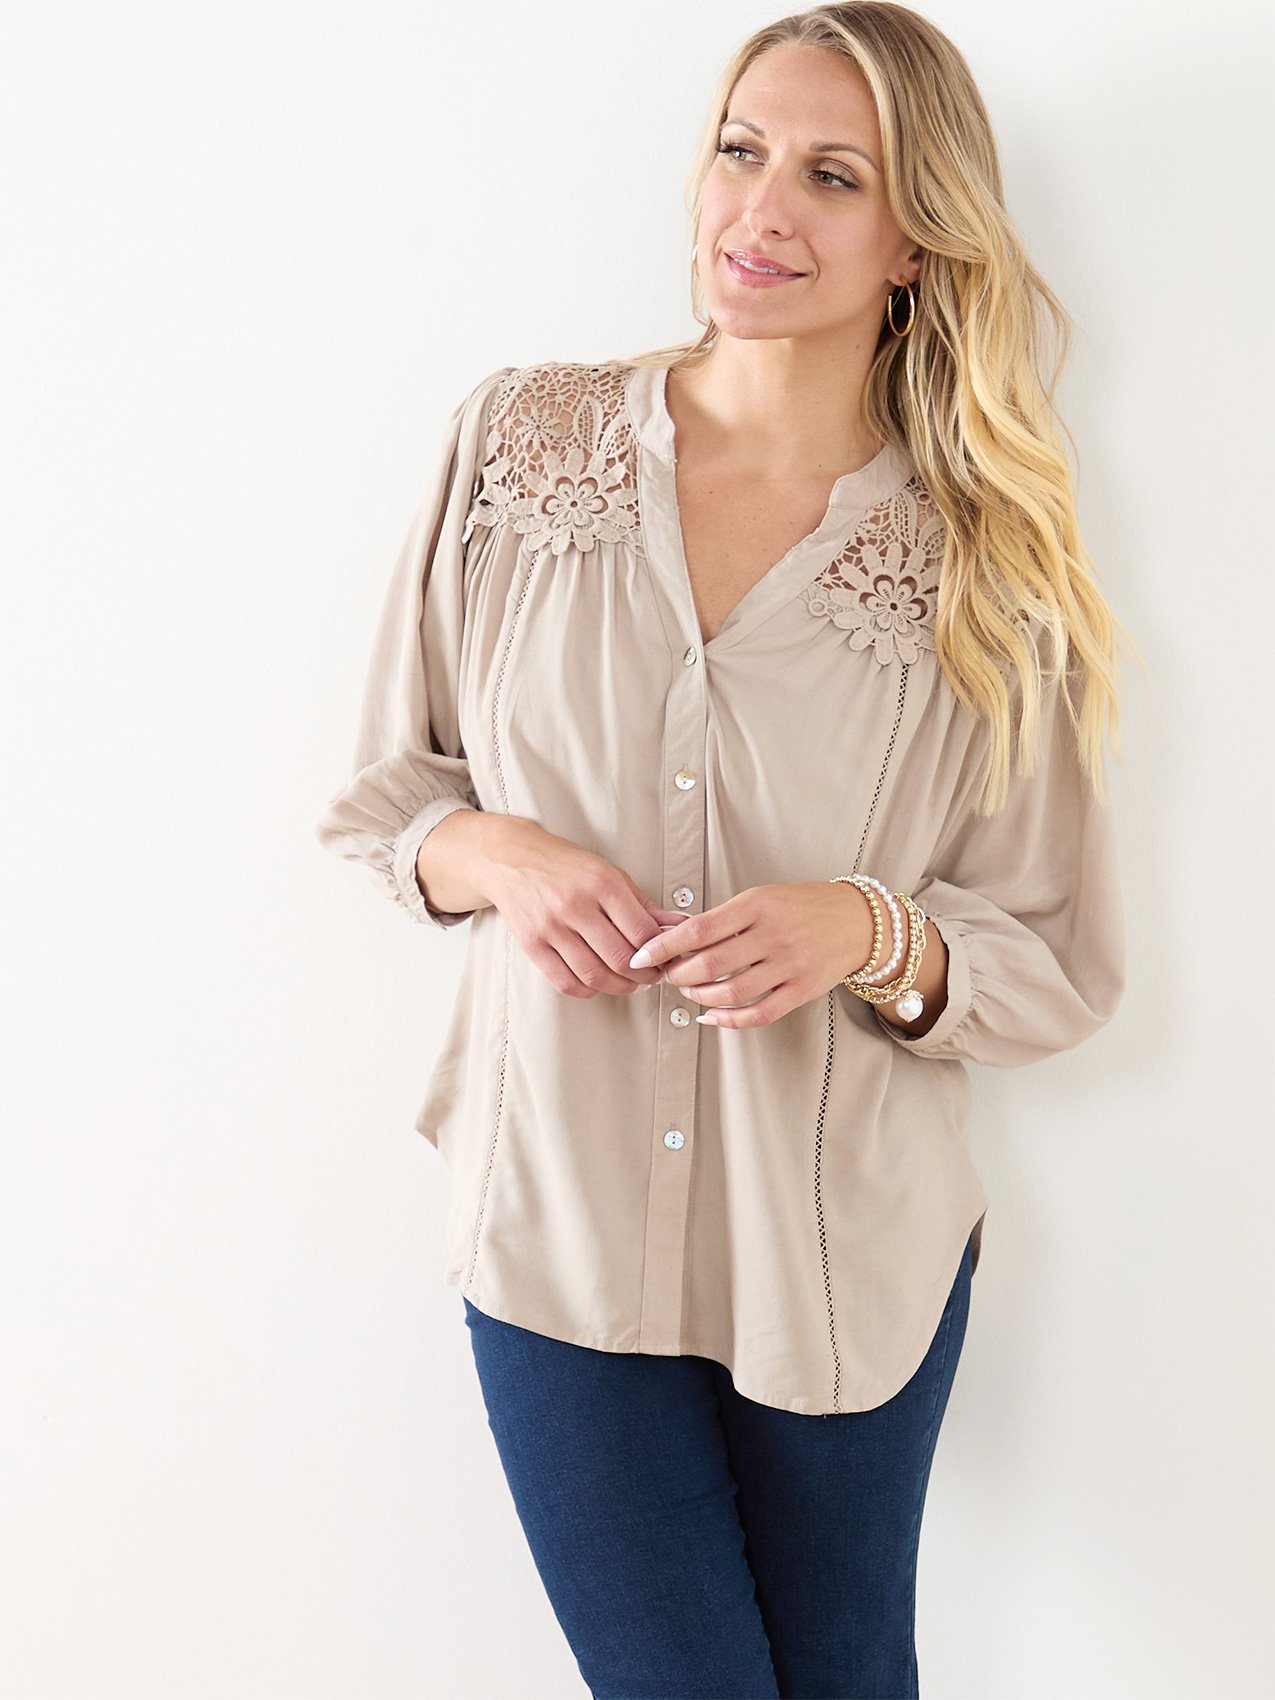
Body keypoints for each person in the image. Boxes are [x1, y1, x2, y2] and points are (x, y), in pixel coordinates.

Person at [314, 4, 1130, 1695]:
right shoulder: (519, 444)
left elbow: (1055, 957)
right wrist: (501, 853)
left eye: (834, 175)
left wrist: (868, 930)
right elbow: (385, 794)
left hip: (841, 1259)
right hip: (558, 1220)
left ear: (916, 241)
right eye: (740, 150)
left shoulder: (985, 562)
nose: (760, 209)